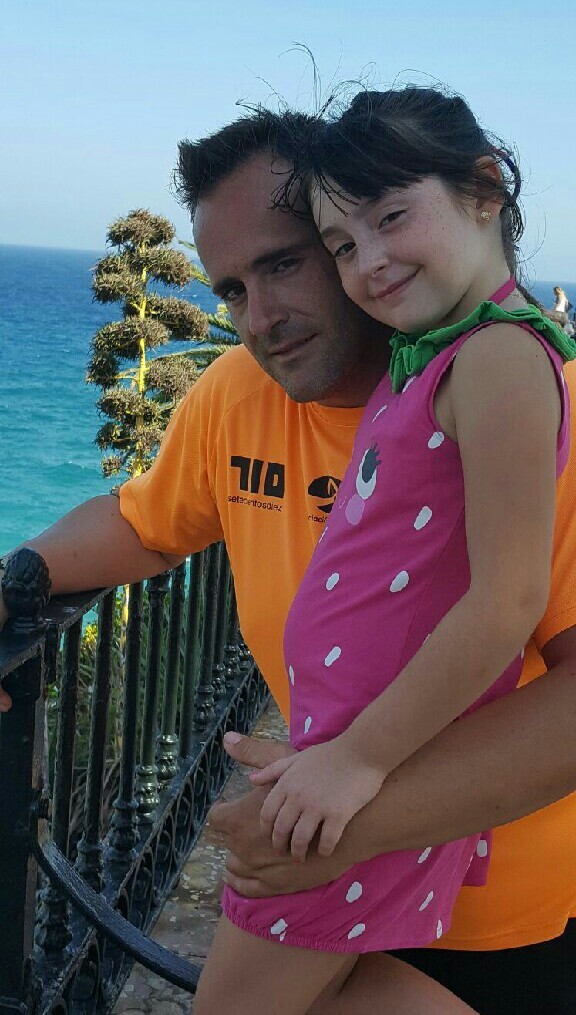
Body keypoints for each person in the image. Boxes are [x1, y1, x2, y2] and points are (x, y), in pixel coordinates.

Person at [2, 108, 576, 1013]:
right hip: (317, 841)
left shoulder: (517, 397)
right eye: (231, 289)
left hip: (489, 920)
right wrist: (20, 581)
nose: (259, 318)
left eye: (283, 265)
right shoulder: (240, 390)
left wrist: (344, 811)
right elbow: (149, 522)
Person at [192, 86, 575, 1013]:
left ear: (485, 189)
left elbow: (508, 599)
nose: (369, 260)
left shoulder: (499, 359)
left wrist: (355, 762)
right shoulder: (439, 356)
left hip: (367, 779)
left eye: (391, 217)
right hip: (348, 766)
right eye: (340, 244)